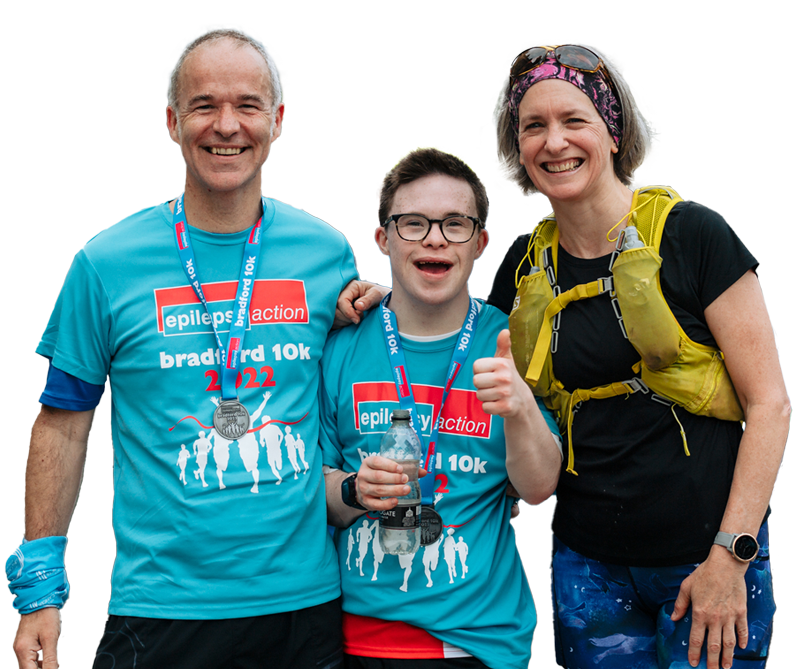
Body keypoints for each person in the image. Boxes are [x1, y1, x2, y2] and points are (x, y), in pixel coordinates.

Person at [7, 29, 358, 669]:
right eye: (204, 105)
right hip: (160, 612)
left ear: (276, 121)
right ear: (173, 121)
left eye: (248, 106)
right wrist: (38, 591)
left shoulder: (327, 255)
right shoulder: (106, 264)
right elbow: (62, 423)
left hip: (302, 611)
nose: (227, 126)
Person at [486, 44, 791, 669]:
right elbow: (459, 338)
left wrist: (730, 557)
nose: (554, 142)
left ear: (614, 130)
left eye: (575, 120)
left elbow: (770, 404)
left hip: (708, 557)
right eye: (533, 126)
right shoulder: (521, 266)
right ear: (517, 148)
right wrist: (375, 297)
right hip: (587, 567)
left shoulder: (692, 235)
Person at [320, 148, 562, 669]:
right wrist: (353, 490)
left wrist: (519, 409)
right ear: (383, 237)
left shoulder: (509, 339)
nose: (434, 237)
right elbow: (310, 491)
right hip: (357, 639)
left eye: (454, 224)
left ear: (479, 243)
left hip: (478, 644)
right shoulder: (341, 343)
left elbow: (539, 486)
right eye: (414, 223)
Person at [307, 149, 385, 284]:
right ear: (333, 207)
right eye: (369, 196)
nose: (378, 207)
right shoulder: (303, 261)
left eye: (378, 194)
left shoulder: (366, 256)